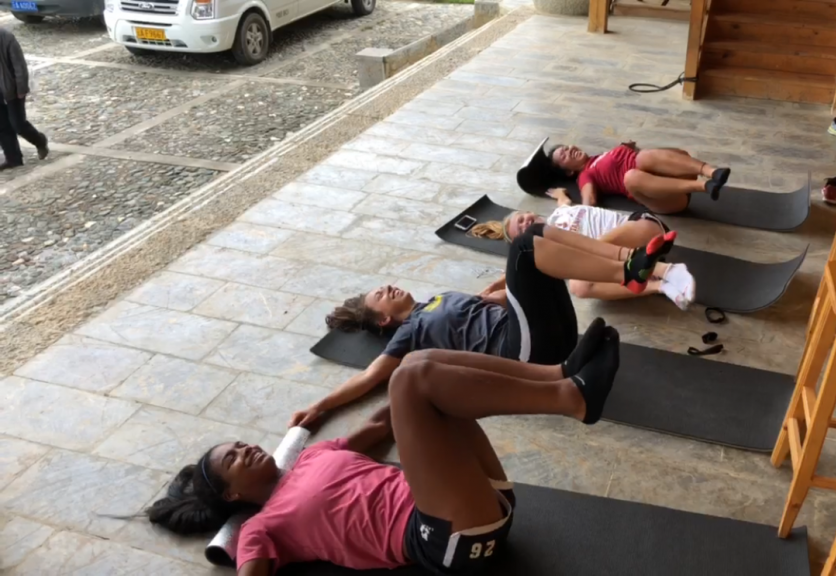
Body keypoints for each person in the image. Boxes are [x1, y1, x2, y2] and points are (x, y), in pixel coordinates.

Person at [147, 324, 621, 575]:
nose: (246, 449)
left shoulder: (312, 457)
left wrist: (325, 405)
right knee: (409, 380)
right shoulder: (259, 529)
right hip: (447, 541)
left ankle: (557, 374)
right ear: (231, 495)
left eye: (240, 444)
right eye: (233, 459)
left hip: (476, 500)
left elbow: (380, 425)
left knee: (416, 363)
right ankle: (573, 400)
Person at [289, 223, 687, 429]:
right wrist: (319, 406)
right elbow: (372, 376)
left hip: (545, 332)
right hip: (522, 354)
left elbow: (501, 301)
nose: (388, 286)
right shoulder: (411, 333)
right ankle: (628, 271)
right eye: (380, 293)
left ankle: (630, 265)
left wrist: (508, 283)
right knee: (524, 244)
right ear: (383, 319)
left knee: (530, 240)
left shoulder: (439, 298)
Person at [470, 188, 695, 306]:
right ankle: (659, 286)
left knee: (586, 257)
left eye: (522, 218)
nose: (526, 223)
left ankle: (663, 270)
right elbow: (520, 267)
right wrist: (491, 288)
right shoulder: (547, 246)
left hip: (642, 227)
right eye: (521, 229)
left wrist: (560, 194)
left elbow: (564, 201)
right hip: (634, 254)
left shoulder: (559, 212)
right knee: (579, 287)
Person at [548, 141, 730, 214]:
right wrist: (563, 198)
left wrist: (627, 148)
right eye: (564, 156)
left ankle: (712, 172)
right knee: (631, 177)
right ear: (569, 173)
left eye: (566, 147)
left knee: (642, 156)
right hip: (666, 198)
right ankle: (704, 186)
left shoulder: (602, 155)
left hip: (675, 175)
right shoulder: (585, 175)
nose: (569, 150)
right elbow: (589, 205)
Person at [0, 28, 48, 170]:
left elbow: (19, 65)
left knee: (18, 124)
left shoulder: (6, 38)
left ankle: (40, 141)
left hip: (12, 89)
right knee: (2, 126)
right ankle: (13, 159)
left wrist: (21, 89)